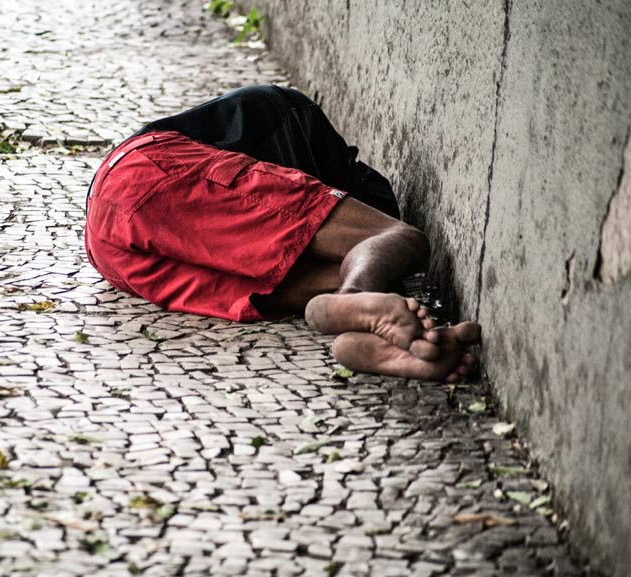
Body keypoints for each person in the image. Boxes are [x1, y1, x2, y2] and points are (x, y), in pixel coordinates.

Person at [84, 85, 480, 382]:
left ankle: (402, 349)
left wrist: (420, 336)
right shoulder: (290, 119)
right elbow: (378, 236)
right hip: (142, 175)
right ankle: (353, 299)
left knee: (359, 268)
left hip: (116, 258)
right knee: (401, 236)